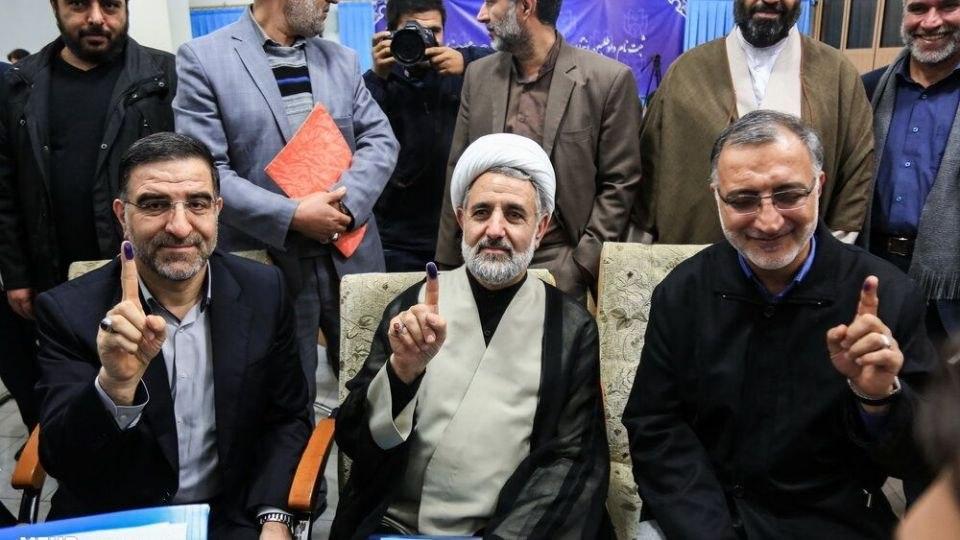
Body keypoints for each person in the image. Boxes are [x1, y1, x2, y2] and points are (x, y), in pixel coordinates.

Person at [623, 111, 937, 539]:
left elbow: (921, 459)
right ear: (717, 197)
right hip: (704, 513)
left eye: (788, 195)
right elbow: (656, 427)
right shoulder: (683, 292)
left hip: (833, 520)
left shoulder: (888, 296)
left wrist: (878, 400)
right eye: (743, 200)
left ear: (819, 186)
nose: (769, 221)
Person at [34, 133, 311, 540]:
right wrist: (114, 386)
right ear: (122, 215)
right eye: (154, 204)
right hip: (118, 518)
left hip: (230, 516)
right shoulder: (68, 311)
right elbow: (62, 459)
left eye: (197, 203)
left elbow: (287, 418)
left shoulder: (265, 290)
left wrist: (275, 517)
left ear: (217, 210)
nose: (180, 227)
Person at [332, 134, 609, 538]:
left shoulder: (570, 328)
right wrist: (401, 372)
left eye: (514, 215)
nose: (495, 229)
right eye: (482, 212)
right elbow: (354, 437)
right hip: (396, 527)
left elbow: (573, 458)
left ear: (540, 228)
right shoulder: (412, 308)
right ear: (462, 220)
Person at [174, 0, 399, 387]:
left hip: (351, 254)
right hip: (268, 262)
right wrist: (292, 215)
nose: (333, 2)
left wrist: (346, 206)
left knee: (374, 385)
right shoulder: (203, 60)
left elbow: (380, 140)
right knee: (284, 393)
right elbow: (206, 173)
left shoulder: (342, 60)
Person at [0, 0, 175, 432]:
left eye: (111, 5)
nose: (97, 17)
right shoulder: (20, 85)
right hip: (53, 269)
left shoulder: (162, 76)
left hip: (145, 269)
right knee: (70, 386)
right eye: (79, 4)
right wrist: (17, 273)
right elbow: (5, 188)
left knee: (152, 379)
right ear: (56, 6)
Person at [434, 0, 642, 300]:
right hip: (483, 256)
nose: (481, 15)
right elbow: (458, 169)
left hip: (560, 263)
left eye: (491, 2)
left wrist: (582, 264)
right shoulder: (478, 76)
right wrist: (447, 265)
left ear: (525, 7)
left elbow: (620, 182)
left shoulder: (607, 81)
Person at [632, 0, 873, 246]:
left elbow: (854, 179)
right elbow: (648, 178)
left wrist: (825, 259)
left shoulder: (837, 74)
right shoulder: (686, 73)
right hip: (695, 258)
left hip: (803, 263)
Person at [861, 0, 960, 356]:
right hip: (870, 271)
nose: (931, 22)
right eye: (918, 8)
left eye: (947, 7)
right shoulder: (867, 90)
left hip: (949, 290)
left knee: (941, 390)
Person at [366, 0, 492, 272]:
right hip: (395, 241)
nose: (425, 39)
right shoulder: (375, 82)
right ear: (390, 34)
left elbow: (509, 62)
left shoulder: (463, 69)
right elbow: (357, 141)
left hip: (456, 233)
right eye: (412, 30)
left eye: (434, 31)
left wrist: (468, 62)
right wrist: (378, 78)